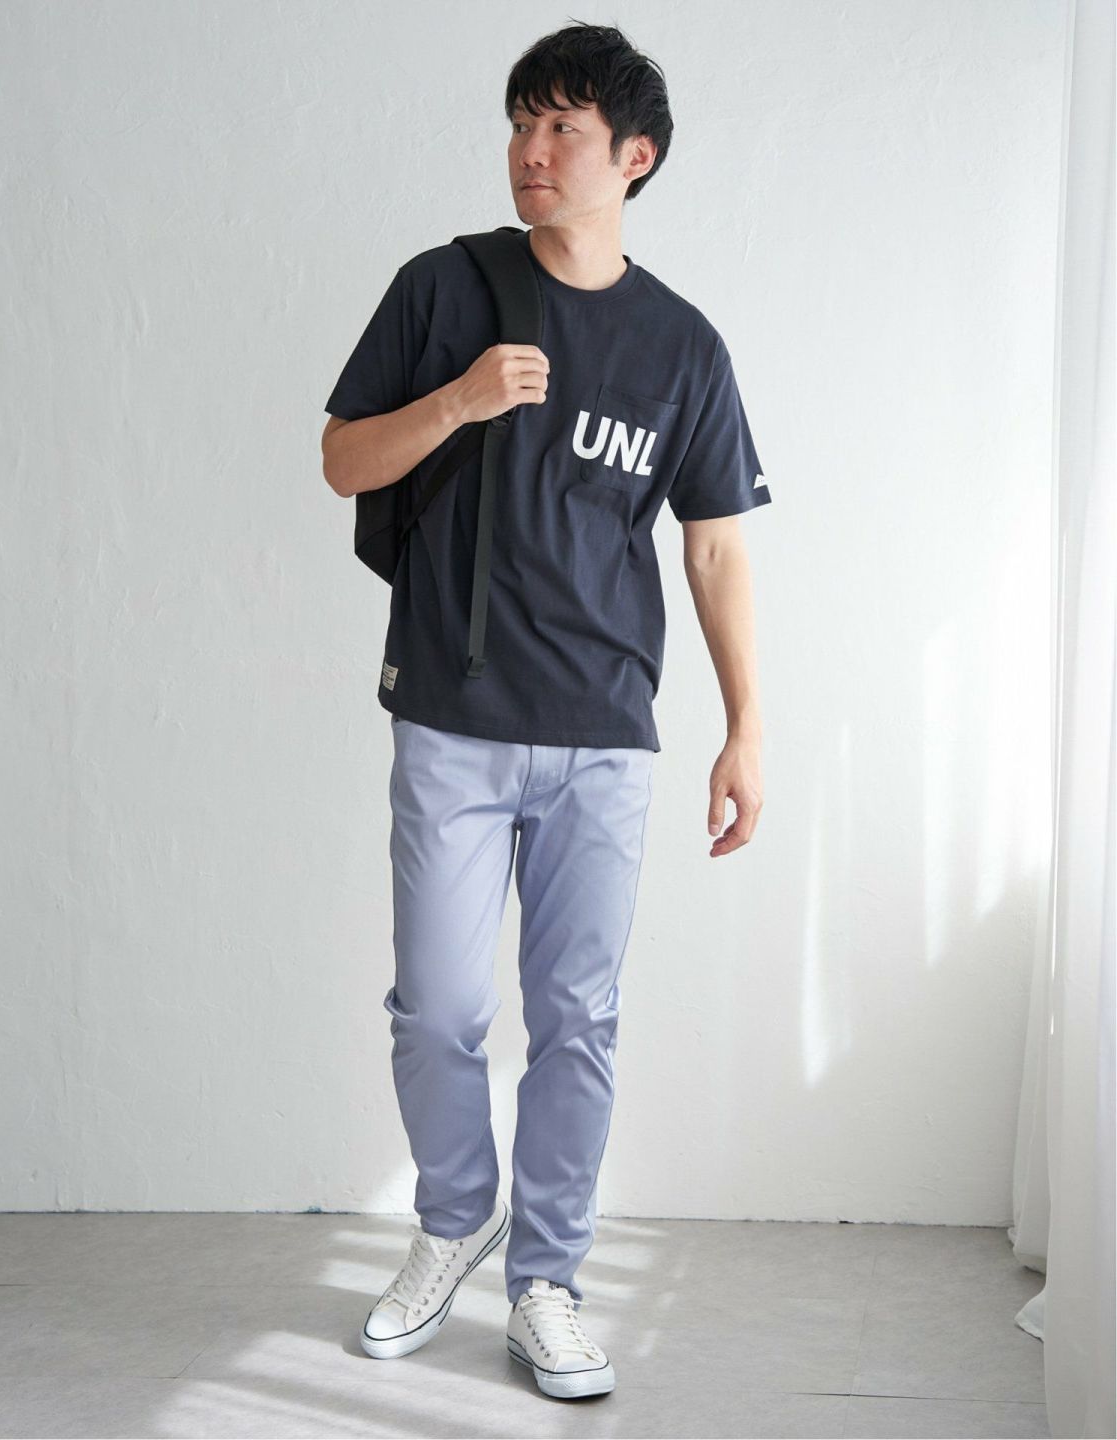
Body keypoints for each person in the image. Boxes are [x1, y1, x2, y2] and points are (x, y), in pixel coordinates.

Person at [322, 21, 772, 1402]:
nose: (530, 149)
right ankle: (455, 1221)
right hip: (451, 719)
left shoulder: (682, 346)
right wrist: (458, 402)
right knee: (439, 1007)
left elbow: (714, 545)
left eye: (562, 127)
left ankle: (547, 1282)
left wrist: (747, 729)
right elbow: (342, 460)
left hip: (603, 737)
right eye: (521, 122)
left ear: (635, 157)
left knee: (576, 1018)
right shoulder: (446, 290)